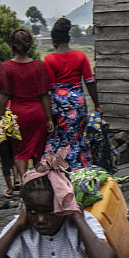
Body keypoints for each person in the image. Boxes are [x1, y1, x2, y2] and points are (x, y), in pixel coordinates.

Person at [0, 28, 53, 188]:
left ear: (12, 45)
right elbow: (44, 95)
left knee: (20, 152)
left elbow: (4, 95)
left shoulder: (6, 67)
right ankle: (41, 185)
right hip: (38, 114)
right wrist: (49, 119)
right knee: (38, 152)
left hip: (18, 115)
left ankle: (26, 184)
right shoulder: (39, 66)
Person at [44, 17, 100, 170]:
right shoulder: (81, 56)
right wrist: (97, 105)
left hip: (59, 103)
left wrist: (49, 116)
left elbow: (50, 88)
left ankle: (62, 167)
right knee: (78, 135)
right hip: (78, 103)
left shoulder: (49, 59)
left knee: (61, 137)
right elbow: (90, 82)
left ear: (54, 40)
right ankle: (81, 166)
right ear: (68, 38)